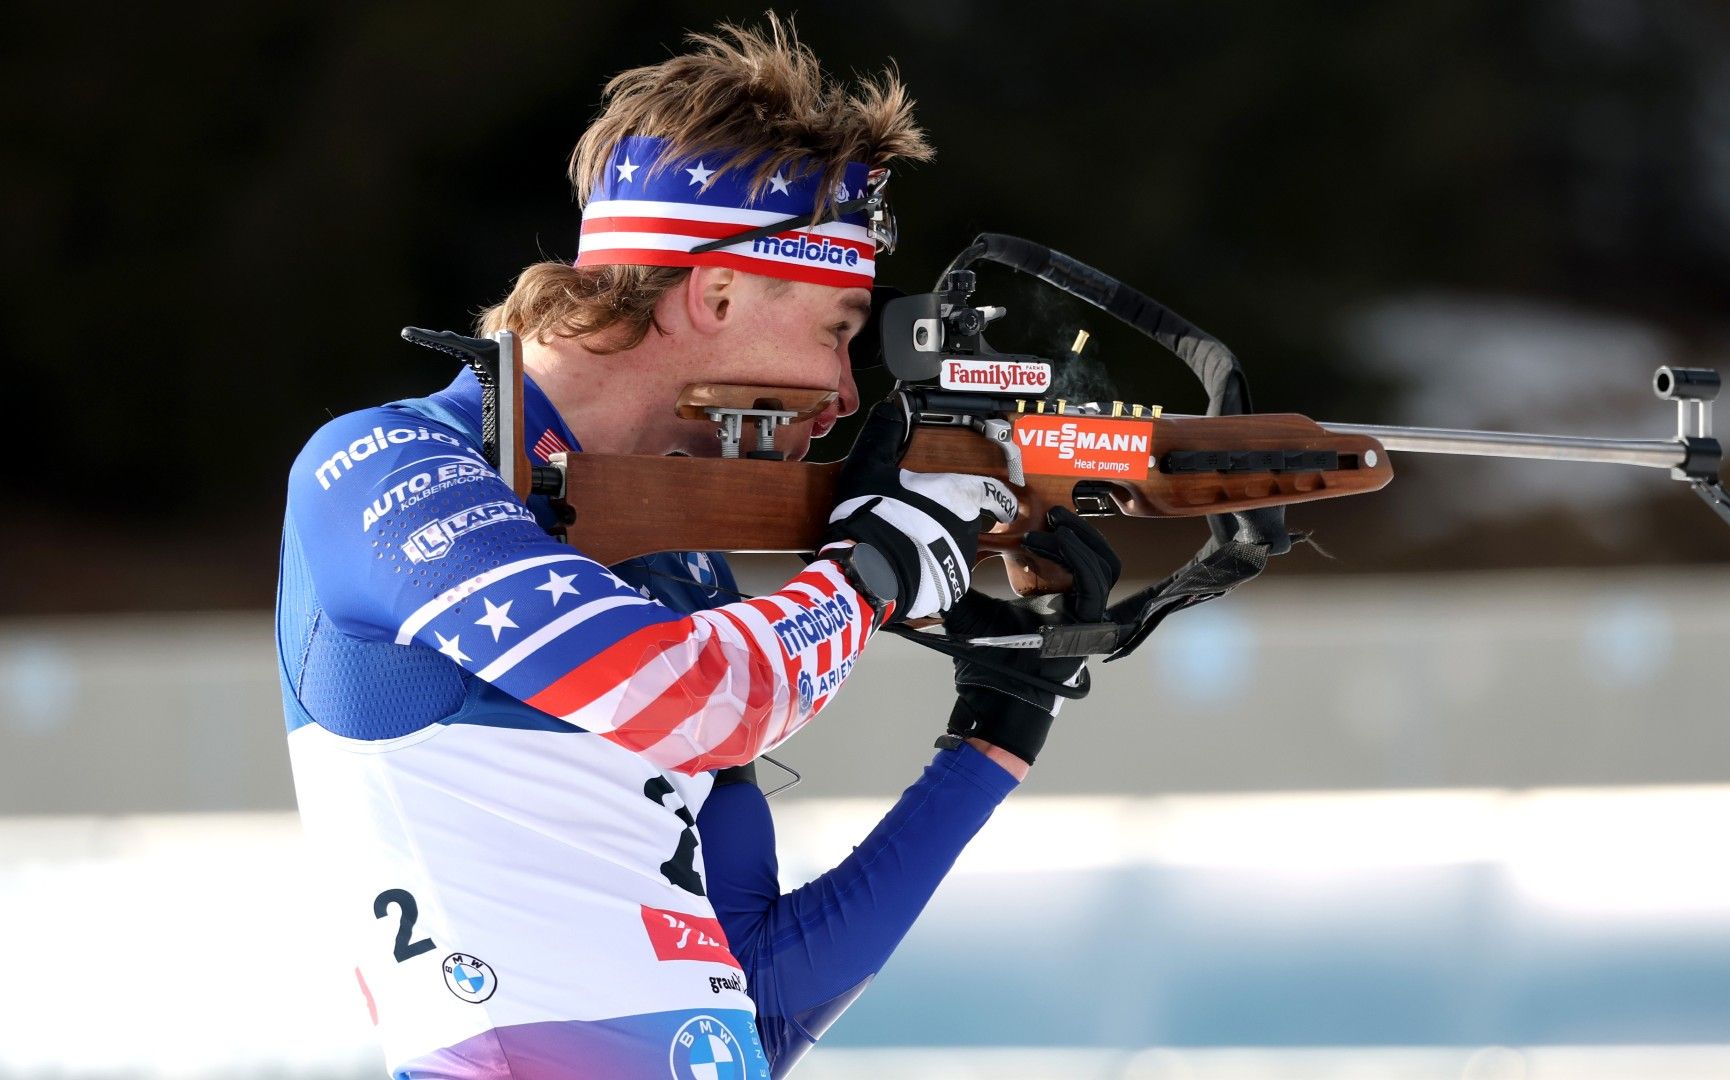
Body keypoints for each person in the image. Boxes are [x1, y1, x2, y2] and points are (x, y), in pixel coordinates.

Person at [275, 18, 1118, 1080]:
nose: (850, 394)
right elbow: (701, 697)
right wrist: (878, 569)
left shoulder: (680, 561)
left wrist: (1001, 725)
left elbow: (759, 994)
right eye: (837, 331)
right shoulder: (389, 465)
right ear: (718, 294)